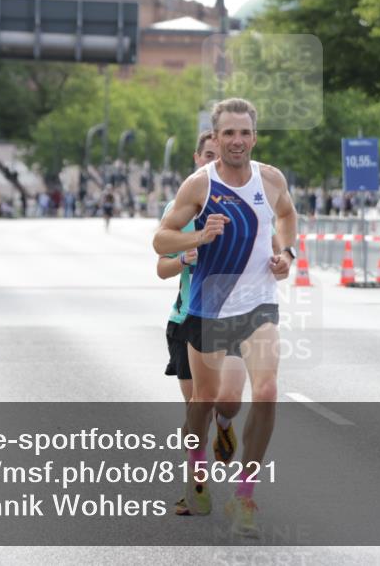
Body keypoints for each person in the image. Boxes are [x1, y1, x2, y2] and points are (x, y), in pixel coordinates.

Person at [153, 98, 297, 537]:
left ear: (255, 137)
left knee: (266, 392)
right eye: (228, 133)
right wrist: (199, 236)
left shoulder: (271, 179)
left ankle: (244, 496)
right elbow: (161, 241)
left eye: (244, 132)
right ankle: (197, 470)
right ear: (215, 137)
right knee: (205, 401)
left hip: (259, 305)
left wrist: (286, 254)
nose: (237, 140)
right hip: (209, 308)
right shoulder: (199, 184)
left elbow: (287, 215)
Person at [156, 130, 247, 516]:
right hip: (187, 320)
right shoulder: (181, 206)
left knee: (228, 400)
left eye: (220, 156)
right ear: (198, 159)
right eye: (209, 155)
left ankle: (225, 422)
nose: (215, 162)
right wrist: (186, 256)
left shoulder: (243, 202)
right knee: (196, 408)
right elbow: (161, 267)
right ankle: (195, 486)